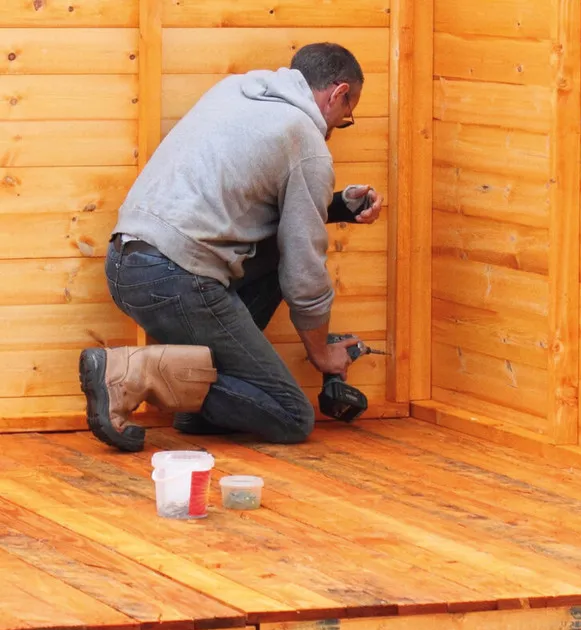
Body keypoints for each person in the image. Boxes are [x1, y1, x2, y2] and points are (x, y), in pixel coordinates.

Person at [79, 42, 383, 452]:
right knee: (292, 416)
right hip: (178, 277)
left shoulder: (236, 90)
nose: (335, 127)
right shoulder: (304, 141)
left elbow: (243, 204)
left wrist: (336, 206)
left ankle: (193, 401)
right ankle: (137, 372)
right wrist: (321, 354)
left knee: (275, 250)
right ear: (338, 93)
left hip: (127, 263)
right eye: (345, 117)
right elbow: (304, 269)